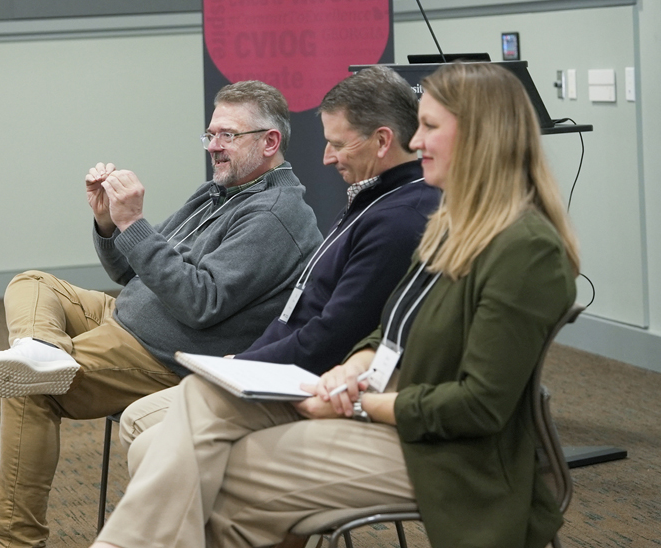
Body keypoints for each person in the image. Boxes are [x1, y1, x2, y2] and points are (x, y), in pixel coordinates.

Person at [89, 62, 581, 548]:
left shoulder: (522, 247)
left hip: (449, 455)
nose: (418, 142)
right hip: (384, 408)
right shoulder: (454, 223)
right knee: (204, 421)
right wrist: (362, 363)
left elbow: (478, 408)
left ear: (481, 138)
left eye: (430, 127)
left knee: (214, 470)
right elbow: (393, 328)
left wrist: (361, 399)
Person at [0, 80, 321, 548]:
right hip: (127, 315)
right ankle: (44, 349)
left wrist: (135, 224)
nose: (214, 146)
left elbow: (200, 302)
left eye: (227, 136)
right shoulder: (221, 191)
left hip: (163, 353)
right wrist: (108, 222)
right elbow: (129, 271)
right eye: (210, 134)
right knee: (31, 283)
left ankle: (16, 543)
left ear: (269, 142)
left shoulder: (275, 215)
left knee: (27, 387)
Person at [118, 65, 441, 448]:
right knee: (39, 292)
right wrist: (113, 226)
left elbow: (332, 333)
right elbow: (307, 317)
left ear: (383, 141)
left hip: (301, 381)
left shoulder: (395, 217)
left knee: (147, 433)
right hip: (271, 366)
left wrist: (243, 366)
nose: (325, 158)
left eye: (338, 144)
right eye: (212, 134)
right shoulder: (370, 198)